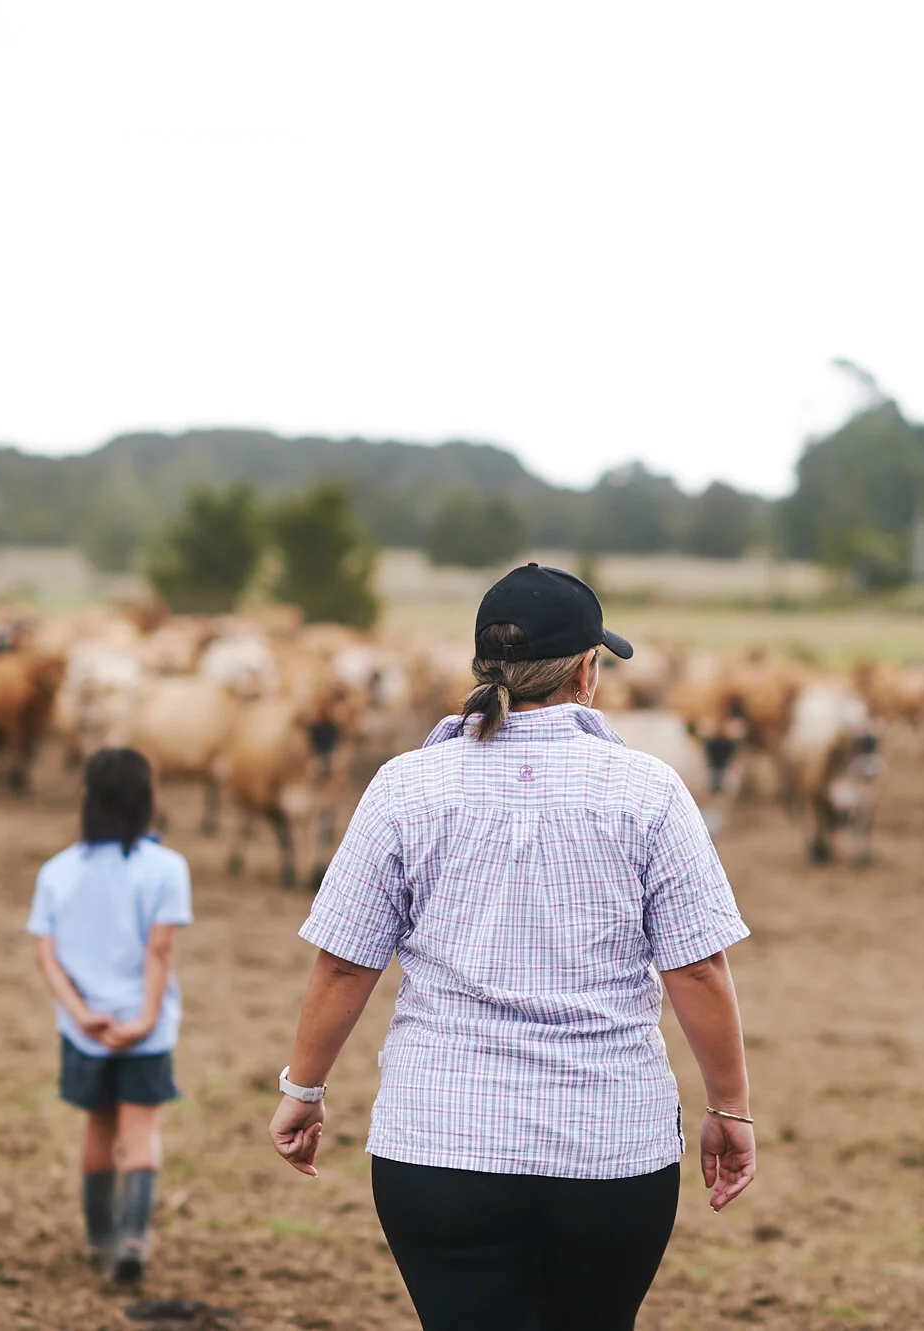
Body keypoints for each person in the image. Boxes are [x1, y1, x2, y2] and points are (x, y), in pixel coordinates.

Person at [268, 563, 756, 1330]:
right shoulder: (649, 790)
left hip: (440, 1144)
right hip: (611, 1149)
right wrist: (730, 1106)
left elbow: (341, 962)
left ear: (482, 668)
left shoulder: (405, 786)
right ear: (587, 671)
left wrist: (305, 1089)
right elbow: (697, 969)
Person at [27, 746, 192, 1284]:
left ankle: (99, 1240)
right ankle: (132, 1239)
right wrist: (144, 1020)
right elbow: (159, 953)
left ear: (88, 799)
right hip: (144, 1030)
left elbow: (45, 954)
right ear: (147, 801)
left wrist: (79, 1014)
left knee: (98, 1128)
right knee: (141, 1132)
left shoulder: (57, 871)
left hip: (85, 1031)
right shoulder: (167, 869)